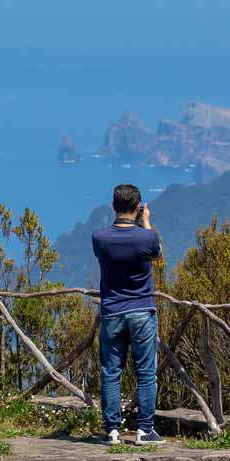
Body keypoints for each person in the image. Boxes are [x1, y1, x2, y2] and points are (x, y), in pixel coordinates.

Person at [92, 183, 164, 446]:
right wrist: (146, 223)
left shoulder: (99, 237)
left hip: (112, 312)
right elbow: (158, 254)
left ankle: (112, 431)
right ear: (138, 207)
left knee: (111, 372)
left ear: (113, 206)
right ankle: (145, 430)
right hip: (142, 311)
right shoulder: (148, 237)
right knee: (145, 371)